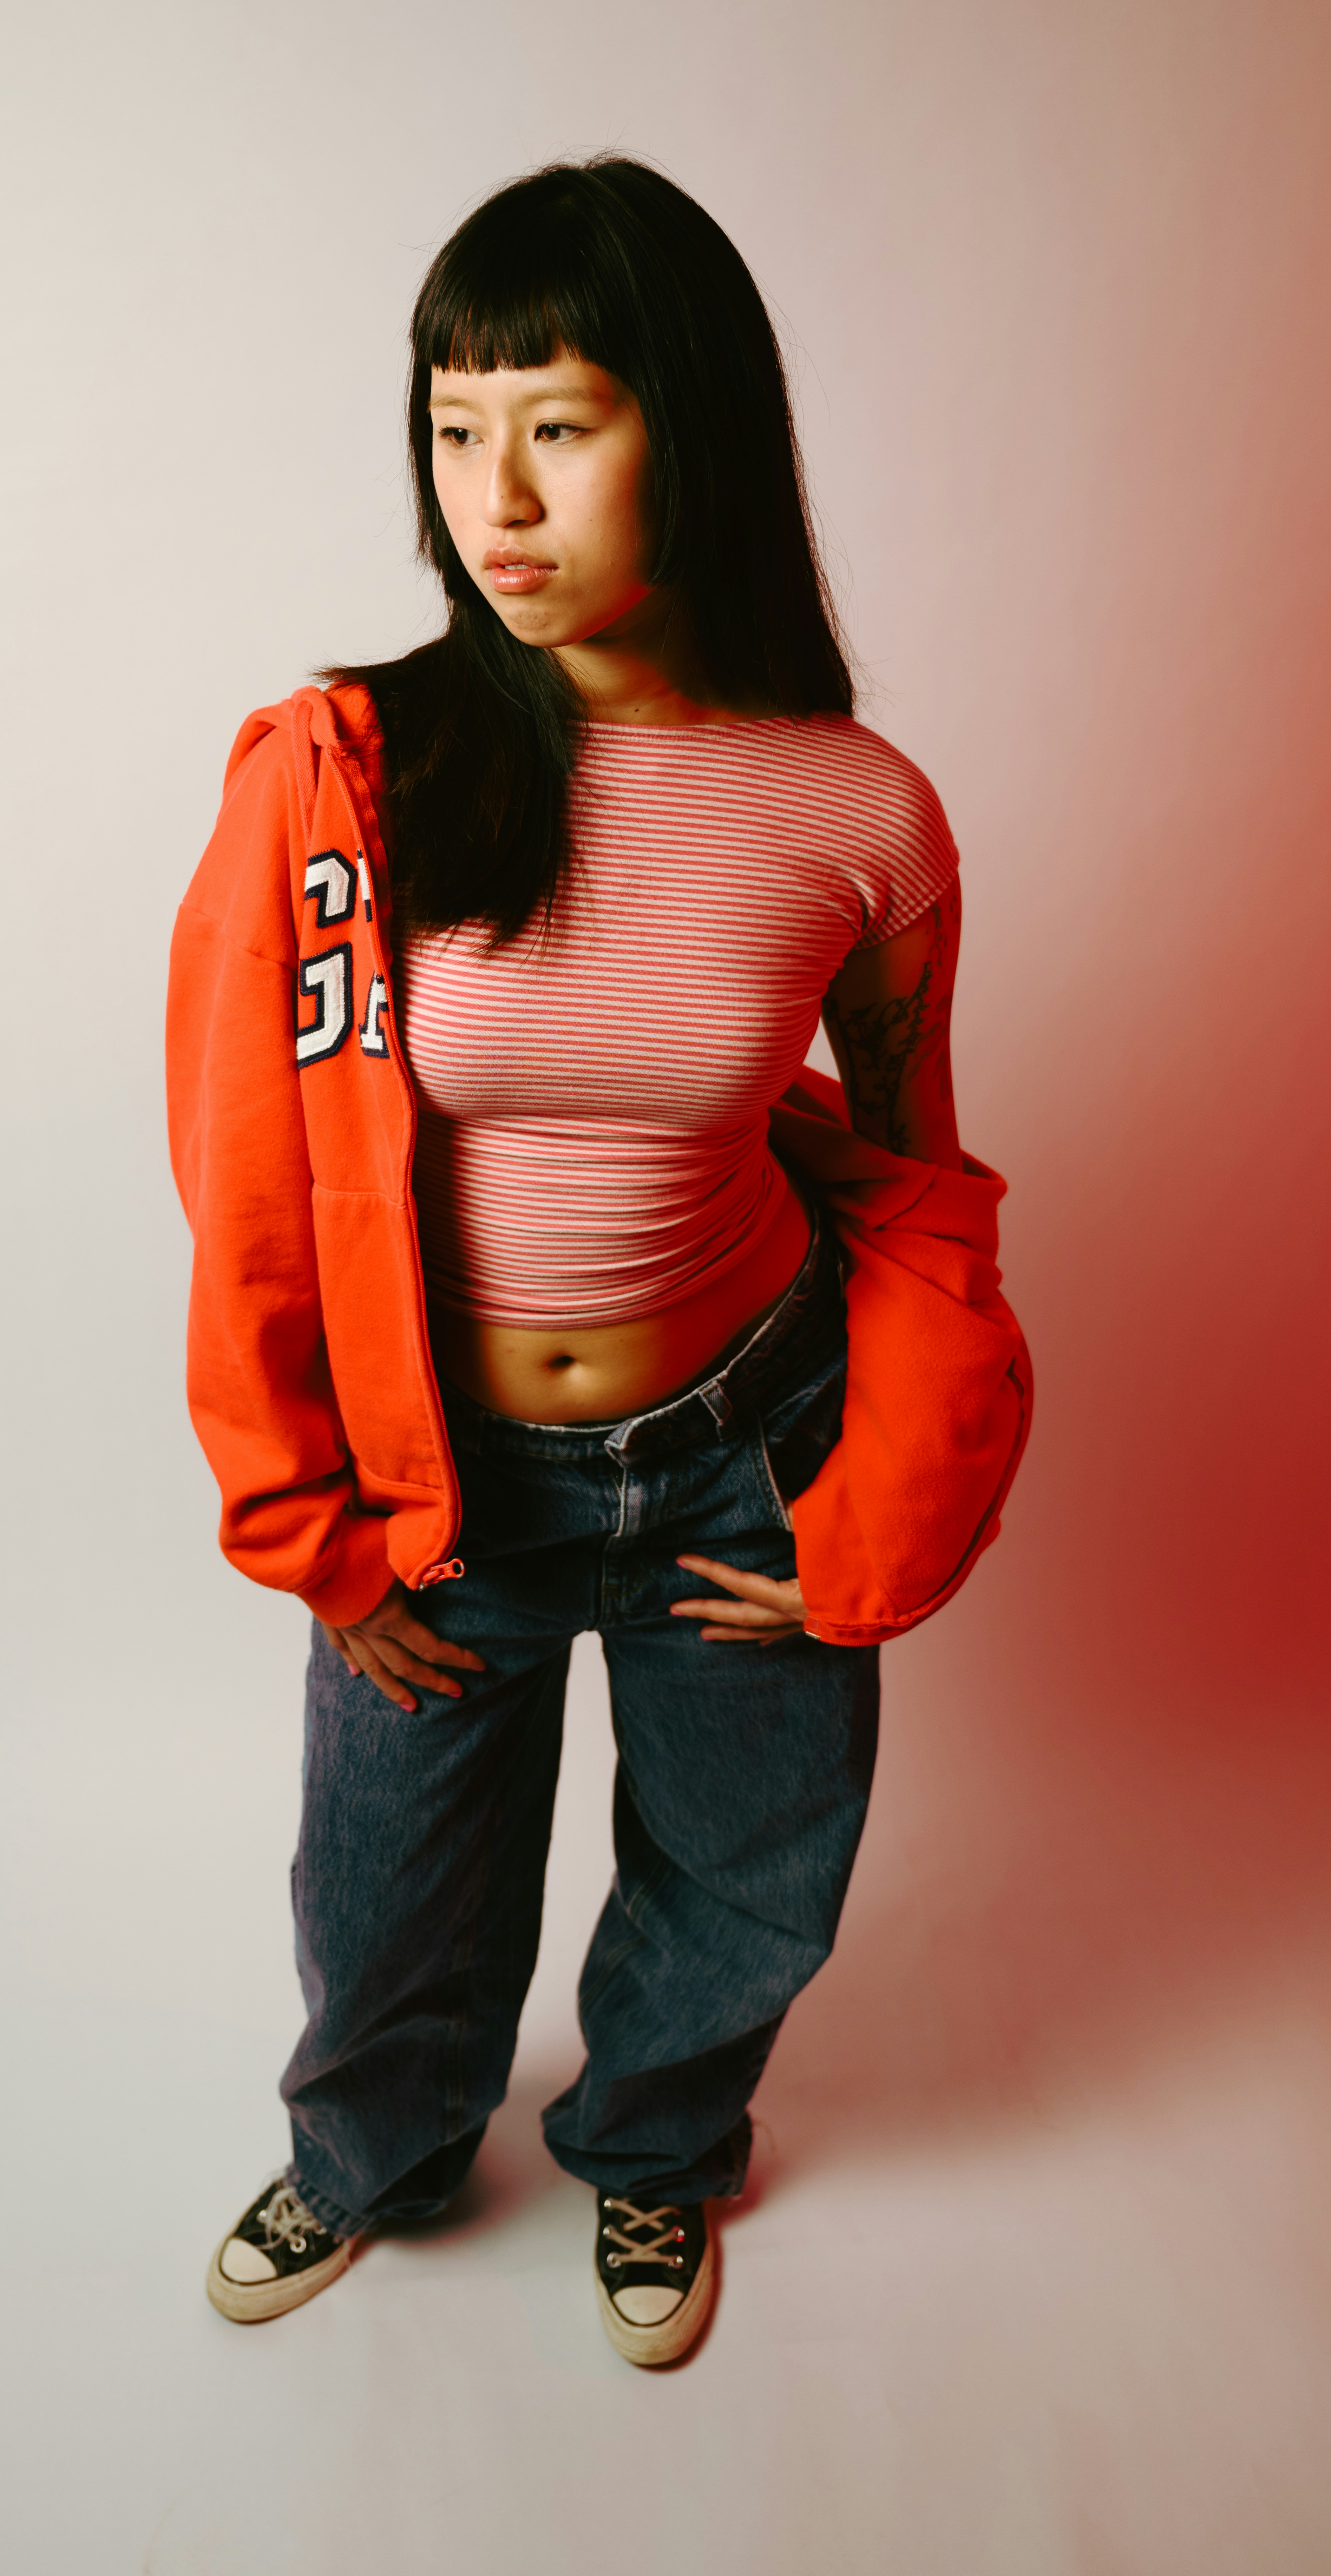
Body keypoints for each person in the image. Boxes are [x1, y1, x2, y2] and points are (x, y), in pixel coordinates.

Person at [165, 156, 1028, 2367]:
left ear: (697, 424)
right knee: (384, 1907)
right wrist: (318, 1534)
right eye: (456, 429)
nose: (497, 498)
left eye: (559, 421)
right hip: (442, 1484)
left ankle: (653, 2150)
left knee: (745, 1885)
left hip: (744, 1453)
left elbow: (926, 1187)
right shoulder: (353, 772)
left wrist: (872, 1526)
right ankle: (370, 2151)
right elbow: (248, 1176)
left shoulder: (863, 814)